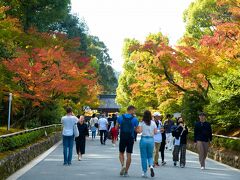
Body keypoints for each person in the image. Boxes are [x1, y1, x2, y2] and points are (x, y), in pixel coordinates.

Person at [117, 105, 139, 177]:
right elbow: (137, 130)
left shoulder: (120, 117)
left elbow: (116, 127)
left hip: (123, 137)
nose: (134, 112)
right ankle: (126, 171)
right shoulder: (135, 119)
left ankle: (123, 165)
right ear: (131, 110)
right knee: (129, 155)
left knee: (121, 153)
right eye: (134, 110)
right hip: (130, 138)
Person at [137, 110, 157, 178]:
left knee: (143, 157)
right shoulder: (153, 123)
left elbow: (139, 131)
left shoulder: (142, 123)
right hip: (151, 140)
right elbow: (155, 132)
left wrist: (136, 129)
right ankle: (151, 166)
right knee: (150, 156)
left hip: (144, 139)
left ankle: (144, 172)